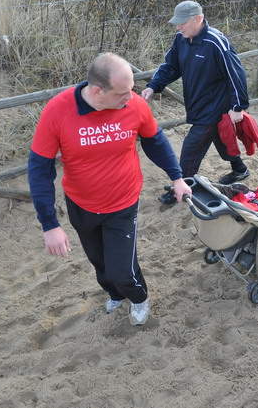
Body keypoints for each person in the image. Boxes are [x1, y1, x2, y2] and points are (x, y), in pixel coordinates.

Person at [28, 53, 191, 326]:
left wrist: (177, 177)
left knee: (122, 270)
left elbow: (155, 142)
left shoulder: (134, 105)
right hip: (81, 203)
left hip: (123, 202)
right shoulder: (58, 111)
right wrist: (49, 225)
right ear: (96, 91)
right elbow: (40, 169)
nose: (131, 97)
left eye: (132, 90)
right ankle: (115, 294)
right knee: (100, 264)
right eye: (122, 93)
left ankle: (139, 298)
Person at [141, 0, 251, 205]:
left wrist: (238, 106)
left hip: (215, 105)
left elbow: (236, 74)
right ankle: (240, 170)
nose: (178, 26)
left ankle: (180, 188)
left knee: (192, 147)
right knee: (220, 138)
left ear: (198, 19)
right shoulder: (181, 39)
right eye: (177, 22)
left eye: (182, 22)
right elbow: (171, 66)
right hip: (198, 102)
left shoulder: (216, 42)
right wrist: (154, 85)